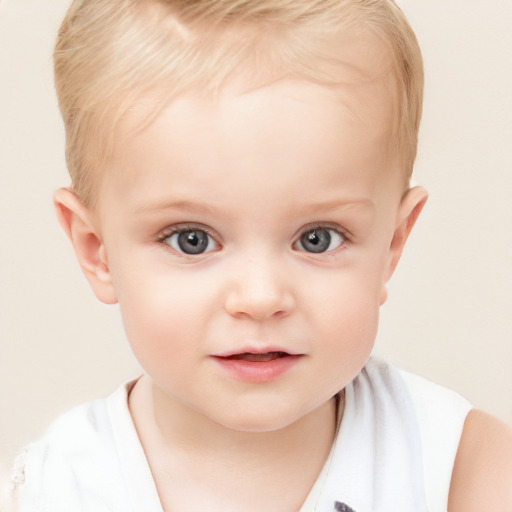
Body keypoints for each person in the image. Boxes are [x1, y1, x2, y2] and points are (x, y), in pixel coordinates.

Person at [9, 1, 512, 511]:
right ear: (97, 250)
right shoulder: (58, 489)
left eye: (318, 237)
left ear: (391, 245)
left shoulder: (460, 468)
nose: (260, 298)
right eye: (192, 240)